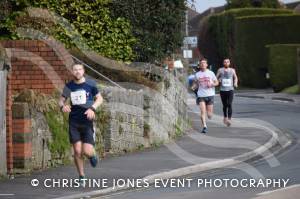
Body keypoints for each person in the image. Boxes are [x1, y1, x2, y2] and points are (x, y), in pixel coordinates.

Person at [59, 63, 103, 185]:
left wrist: (92, 108)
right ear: (72, 72)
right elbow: (61, 100)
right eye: (75, 70)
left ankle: (93, 155)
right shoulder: (69, 86)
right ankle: (82, 176)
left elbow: (99, 99)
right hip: (74, 121)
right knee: (77, 151)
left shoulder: (91, 84)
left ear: (83, 71)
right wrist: (63, 106)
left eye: (79, 69)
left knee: (87, 151)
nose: (77, 72)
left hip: (87, 121)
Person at [194, 58, 219, 134]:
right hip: (201, 95)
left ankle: (209, 116)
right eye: (201, 63)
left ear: (207, 65)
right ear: (200, 65)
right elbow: (196, 83)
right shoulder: (197, 74)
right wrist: (193, 86)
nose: (202, 64)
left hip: (210, 94)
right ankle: (204, 126)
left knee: (209, 115)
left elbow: (217, 82)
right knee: (202, 112)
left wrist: (212, 84)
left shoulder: (211, 73)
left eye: (204, 63)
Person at [216, 58, 238, 127]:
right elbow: (216, 78)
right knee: (225, 105)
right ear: (223, 63)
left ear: (229, 63)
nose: (226, 63)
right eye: (225, 62)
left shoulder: (232, 70)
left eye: (227, 62)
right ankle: (225, 117)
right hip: (222, 90)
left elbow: (235, 77)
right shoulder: (220, 70)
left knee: (229, 104)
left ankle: (229, 119)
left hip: (230, 90)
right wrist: (218, 80)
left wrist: (235, 83)